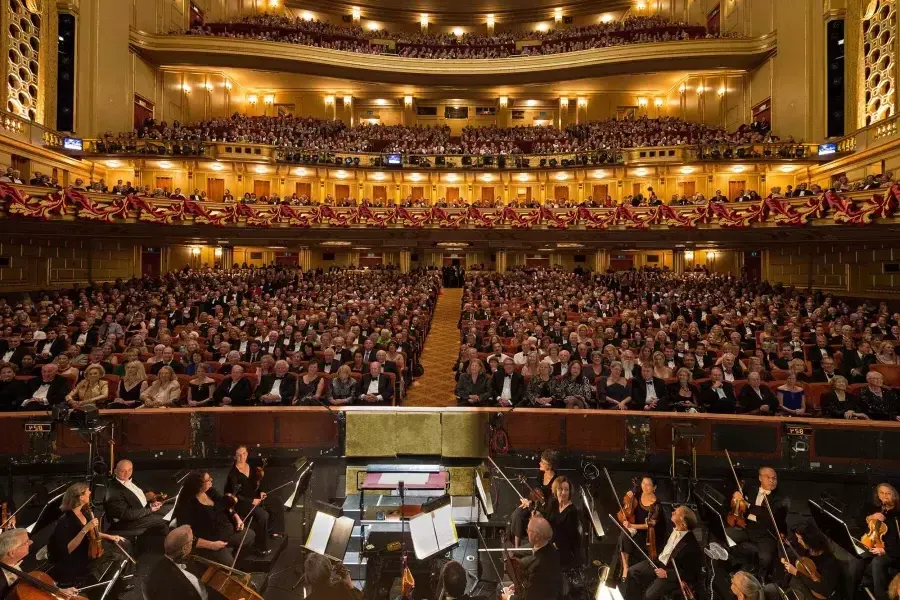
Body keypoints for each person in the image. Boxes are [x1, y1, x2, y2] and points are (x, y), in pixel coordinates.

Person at [48, 483, 129, 585]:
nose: (90, 492)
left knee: (121, 547)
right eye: (87, 491)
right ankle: (102, 586)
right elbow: (68, 549)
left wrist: (110, 536)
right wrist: (85, 529)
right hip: (75, 559)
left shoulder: (83, 512)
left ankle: (118, 582)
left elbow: (92, 533)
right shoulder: (65, 521)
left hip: (87, 549)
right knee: (117, 557)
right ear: (81, 497)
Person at [172, 470, 255, 567]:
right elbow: (187, 538)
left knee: (250, 535)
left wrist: (236, 518)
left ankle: (232, 556)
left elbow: (226, 504)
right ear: (198, 485)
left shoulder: (210, 491)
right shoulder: (188, 505)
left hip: (227, 532)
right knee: (228, 564)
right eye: (208, 480)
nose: (212, 480)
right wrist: (212, 545)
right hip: (210, 542)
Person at [624, 505, 702, 600]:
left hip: (669, 572)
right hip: (658, 562)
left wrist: (667, 574)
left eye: (676, 513)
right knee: (632, 572)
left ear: (683, 524)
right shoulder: (671, 527)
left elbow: (690, 574)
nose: (672, 512)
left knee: (649, 596)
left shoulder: (692, 547)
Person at [727, 466, 789, 580]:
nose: (771, 480)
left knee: (765, 558)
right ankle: (737, 563)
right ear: (760, 478)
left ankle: (758, 576)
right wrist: (737, 495)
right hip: (748, 528)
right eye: (768, 477)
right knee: (727, 534)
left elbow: (766, 519)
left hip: (767, 534)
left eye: (774, 478)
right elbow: (742, 508)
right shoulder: (752, 490)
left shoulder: (780, 499)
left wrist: (749, 507)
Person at [224, 445, 284, 555]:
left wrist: (260, 491)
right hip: (242, 503)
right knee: (263, 515)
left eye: (244, 454)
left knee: (277, 501)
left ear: (247, 454)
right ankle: (260, 547)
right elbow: (235, 496)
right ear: (235, 457)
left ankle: (274, 532)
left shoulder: (250, 467)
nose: (242, 457)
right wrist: (252, 501)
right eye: (239, 455)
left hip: (255, 498)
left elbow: (256, 483)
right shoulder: (233, 474)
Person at [144, 525, 230, 600]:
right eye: (192, 540)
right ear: (185, 548)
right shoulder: (190, 581)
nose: (193, 542)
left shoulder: (156, 565)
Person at [103, 459, 169, 546]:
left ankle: (160, 544)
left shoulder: (132, 481)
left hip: (141, 512)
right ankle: (170, 548)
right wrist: (150, 509)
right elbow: (127, 514)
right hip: (127, 523)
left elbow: (137, 501)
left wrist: (151, 504)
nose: (127, 474)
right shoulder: (114, 491)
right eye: (123, 471)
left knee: (169, 509)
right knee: (165, 518)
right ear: (115, 471)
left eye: (129, 470)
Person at [0, 528, 79, 599]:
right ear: (12, 553)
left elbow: (26, 586)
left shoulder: (11, 563)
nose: (31, 542)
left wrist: (58, 591)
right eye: (26, 542)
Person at [770, 521, 839, 600]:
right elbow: (781, 544)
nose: (798, 541)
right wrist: (782, 557)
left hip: (818, 594)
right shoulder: (805, 548)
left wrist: (796, 573)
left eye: (800, 539)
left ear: (810, 540)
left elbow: (824, 591)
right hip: (803, 585)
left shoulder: (830, 562)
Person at [500, 516, 563, 600]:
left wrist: (508, 598)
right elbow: (538, 584)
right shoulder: (552, 551)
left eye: (529, 530)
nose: (526, 532)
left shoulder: (536, 565)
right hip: (550, 594)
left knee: (500, 589)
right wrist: (519, 585)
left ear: (537, 536)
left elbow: (528, 598)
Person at [858, 483, 900, 600]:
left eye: (888, 494)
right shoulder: (875, 508)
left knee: (878, 562)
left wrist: (884, 550)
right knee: (856, 556)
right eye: (881, 493)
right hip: (873, 545)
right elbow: (858, 523)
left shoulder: (897, 515)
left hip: (892, 551)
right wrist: (870, 518)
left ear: (895, 496)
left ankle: (880, 597)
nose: (884, 497)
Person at [619, 476, 664, 580]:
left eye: (648, 485)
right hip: (634, 527)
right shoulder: (638, 493)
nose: (645, 486)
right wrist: (629, 495)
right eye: (643, 483)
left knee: (627, 533)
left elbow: (650, 525)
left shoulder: (656, 505)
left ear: (654, 487)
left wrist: (631, 525)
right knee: (623, 534)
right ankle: (625, 567)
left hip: (648, 534)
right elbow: (628, 502)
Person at [510, 450, 558, 547]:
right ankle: (517, 548)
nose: (539, 463)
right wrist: (530, 501)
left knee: (531, 521)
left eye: (542, 462)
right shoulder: (541, 473)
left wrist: (531, 505)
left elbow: (549, 507)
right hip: (534, 504)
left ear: (549, 466)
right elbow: (536, 489)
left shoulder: (555, 482)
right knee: (517, 514)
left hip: (545, 510)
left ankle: (534, 548)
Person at [547, 476, 580, 571]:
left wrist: (553, 546)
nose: (564, 493)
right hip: (550, 542)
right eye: (560, 489)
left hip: (563, 549)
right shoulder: (553, 503)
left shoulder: (572, 511)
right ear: (555, 490)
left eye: (566, 490)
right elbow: (546, 521)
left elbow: (569, 536)